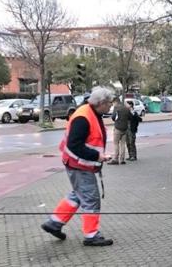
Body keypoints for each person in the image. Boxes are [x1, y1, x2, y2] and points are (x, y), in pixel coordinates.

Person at [41, 86, 115, 246]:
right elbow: (75, 145)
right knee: (91, 198)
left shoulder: (90, 112)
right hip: (79, 164)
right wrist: (98, 156)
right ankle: (91, 235)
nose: (111, 105)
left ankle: (54, 223)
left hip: (76, 163)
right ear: (101, 103)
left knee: (78, 194)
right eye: (109, 103)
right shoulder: (84, 117)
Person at [108, 97, 131, 165]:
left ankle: (115, 159)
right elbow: (130, 117)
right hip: (125, 128)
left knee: (116, 143)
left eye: (113, 103)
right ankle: (122, 159)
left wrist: (117, 120)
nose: (113, 104)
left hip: (118, 128)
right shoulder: (126, 108)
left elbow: (113, 117)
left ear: (115, 102)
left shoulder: (116, 108)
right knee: (123, 144)